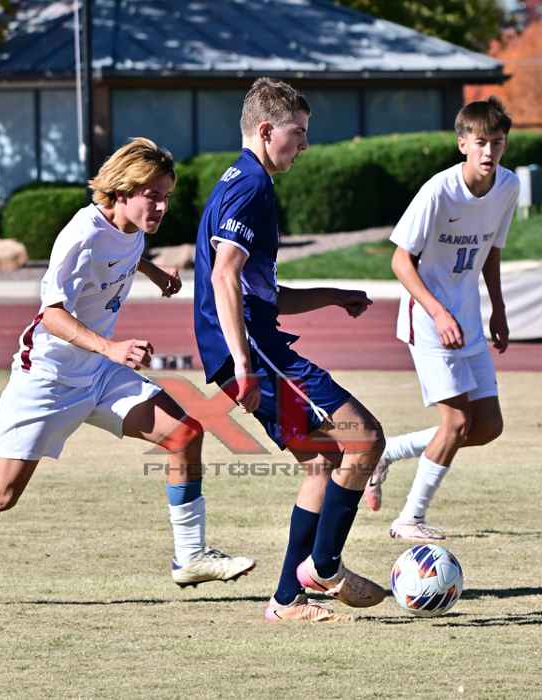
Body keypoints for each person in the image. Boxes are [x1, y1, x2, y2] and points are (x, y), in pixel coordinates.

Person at [0, 137, 254, 587]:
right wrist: (110, 348)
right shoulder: (82, 235)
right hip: (48, 378)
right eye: (153, 195)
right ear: (122, 191)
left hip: (99, 374)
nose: (161, 206)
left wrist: (152, 271)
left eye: (166, 196)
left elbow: (124, 249)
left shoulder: (131, 227)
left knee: (185, 433)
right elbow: (52, 315)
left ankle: (190, 557)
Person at [194, 77, 387, 622]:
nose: (303, 145)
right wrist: (245, 364)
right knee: (365, 439)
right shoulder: (251, 187)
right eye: (297, 133)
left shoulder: (241, 179)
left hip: (253, 345)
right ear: (265, 130)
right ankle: (324, 567)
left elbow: (262, 292)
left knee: (322, 463)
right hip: (256, 352)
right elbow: (224, 276)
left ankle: (286, 600)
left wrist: (332, 295)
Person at [364, 97, 520, 541]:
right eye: (481, 142)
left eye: (497, 142)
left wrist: (498, 309)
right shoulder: (438, 191)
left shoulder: (508, 186)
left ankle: (389, 450)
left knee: (487, 427)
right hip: (430, 321)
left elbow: (491, 253)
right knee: (456, 424)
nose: (489, 151)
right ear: (462, 144)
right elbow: (400, 262)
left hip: (468, 318)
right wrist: (438, 311)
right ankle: (408, 519)